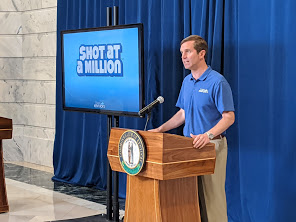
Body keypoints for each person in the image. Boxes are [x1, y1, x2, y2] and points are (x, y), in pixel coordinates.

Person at [150, 35, 235, 222]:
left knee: (212, 201)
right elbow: (183, 114)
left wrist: (208, 135)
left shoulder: (217, 82)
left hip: (211, 147)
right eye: (181, 53)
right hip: (187, 148)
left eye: (188, 51)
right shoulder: (187, 82)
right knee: (188, 199)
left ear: (202, 53)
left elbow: (229, 117)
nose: (183, 56)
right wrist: (160, 130)